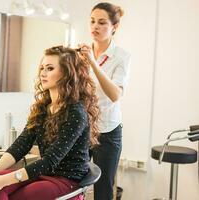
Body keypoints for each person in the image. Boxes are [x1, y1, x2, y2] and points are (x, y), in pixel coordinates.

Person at [0, 46, 99, 200]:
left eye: (50, 68)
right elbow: (21, 145)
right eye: (42, 68)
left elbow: (49, 161)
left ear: (66, 73)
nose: (43, 73)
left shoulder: (76, 113)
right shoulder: (43, 108)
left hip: (66, 180)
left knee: (10, 194)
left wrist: (1, 181)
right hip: (43, 174)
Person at [78, 2, 131, 200]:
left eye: (102, 23)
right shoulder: (81, 52)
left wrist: (92, 61)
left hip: (108, 132)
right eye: (92, 21)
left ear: (114, 27)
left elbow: (115, 94)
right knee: (74, 183)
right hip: (82, 129)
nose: (95, 27)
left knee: (103, 191)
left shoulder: (122, 56)